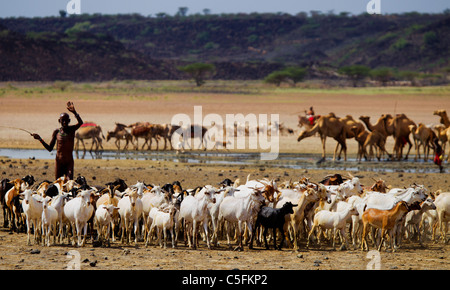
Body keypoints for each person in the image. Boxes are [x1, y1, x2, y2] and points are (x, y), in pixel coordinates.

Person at [32, 101, 83, 179]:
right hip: (59, 162)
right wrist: (40, 139)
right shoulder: (56, 132)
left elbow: (80, 123)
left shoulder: (72, 129)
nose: (65, 122)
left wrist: (74, 112)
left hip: (69, 162)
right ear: (59, 121)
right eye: (63, 120)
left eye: (66, 120)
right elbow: (50, 148)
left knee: (69, 182)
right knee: (57, 183)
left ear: (69, 121)